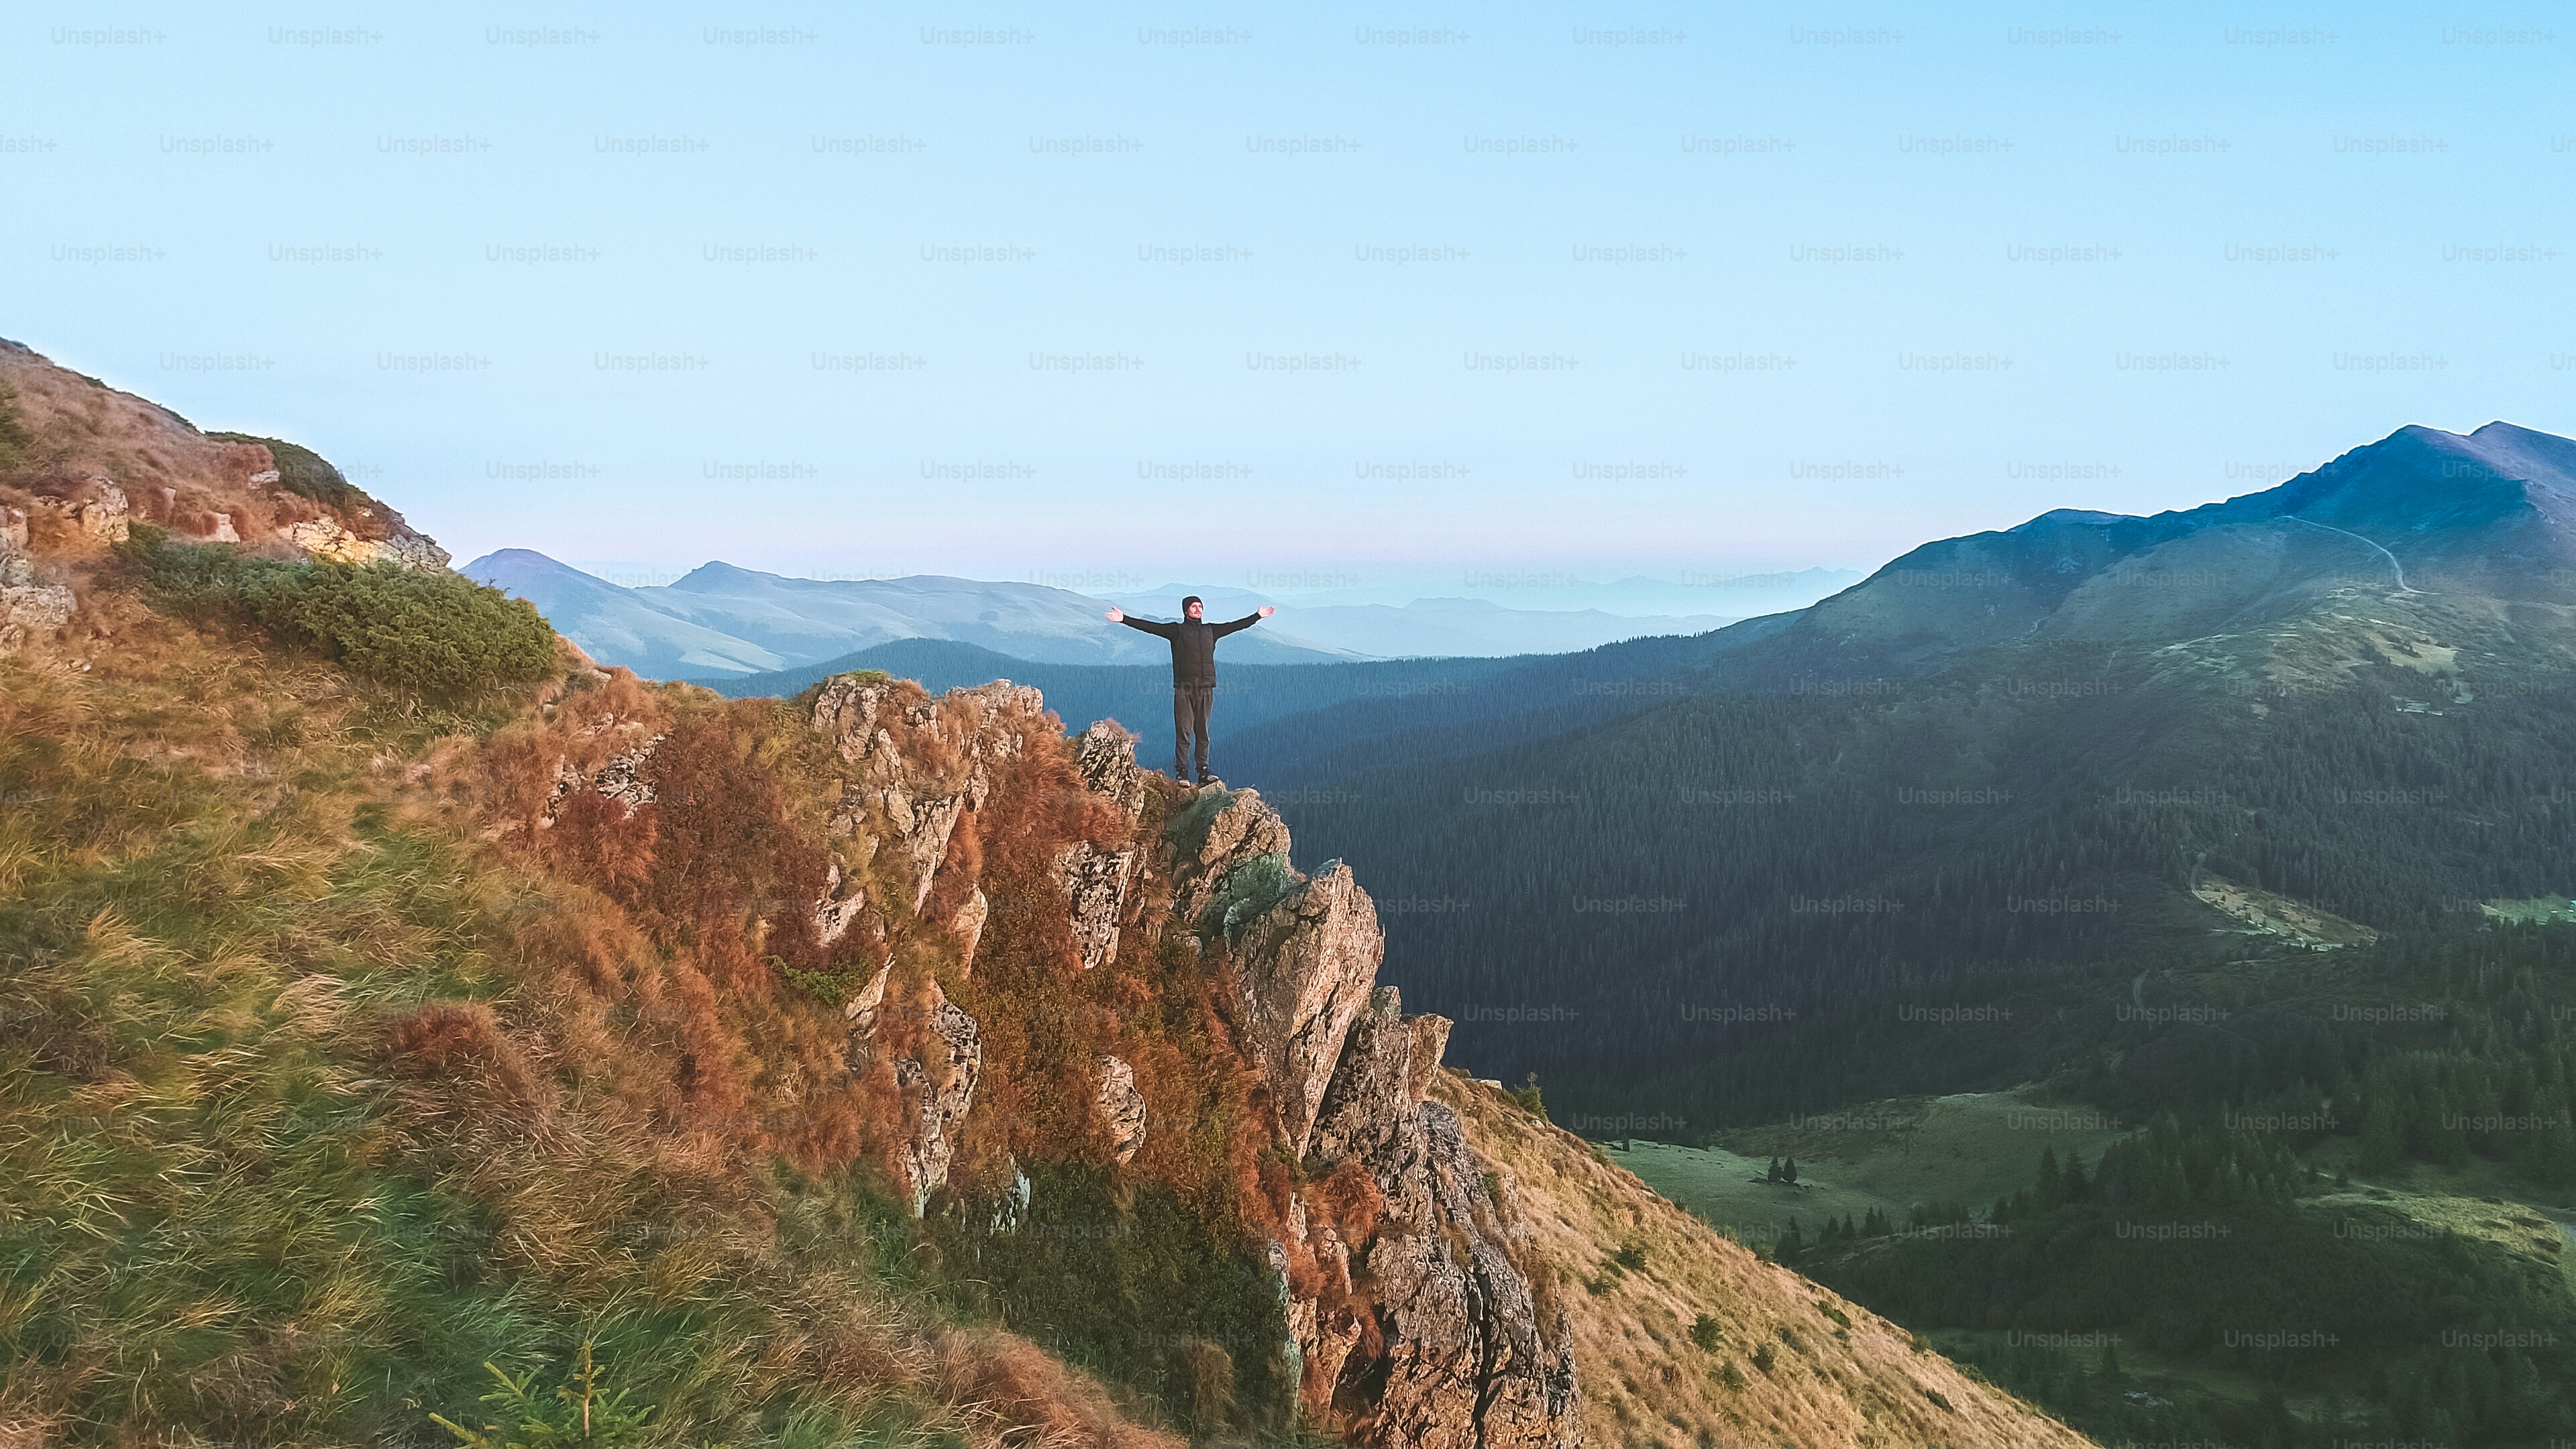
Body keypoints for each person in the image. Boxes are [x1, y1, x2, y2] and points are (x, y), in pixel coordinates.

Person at [1107, 595, 1273, 785]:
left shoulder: (1211, 630)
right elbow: (1150, 627)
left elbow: (1235, 625)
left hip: (1206, 689)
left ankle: (1203, 772)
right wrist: (1124, 619)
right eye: (1193, 606)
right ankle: (1182, 774)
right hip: (1184, 689)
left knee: (1203, 733)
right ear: (1185, 610)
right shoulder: (1176, 631)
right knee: (1184, 732)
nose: (1198, 609)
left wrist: (1257, 616)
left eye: (1200, 606)